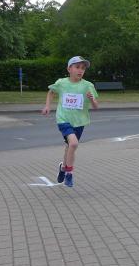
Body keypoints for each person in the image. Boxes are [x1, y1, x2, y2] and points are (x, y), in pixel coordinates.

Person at [41, 56, 99, 188]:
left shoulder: (88, 85)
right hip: (63, 119)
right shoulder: (62, 83)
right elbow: (51, 92)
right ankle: (69, 174)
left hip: (79, 122)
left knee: (69, 147)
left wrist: (92, 100)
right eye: (77, 67)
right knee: (73, 143)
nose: (80, 70)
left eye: (83, 68)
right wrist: (47, 106)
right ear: (69, 69)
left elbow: (96, 106)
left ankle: (63, 167)